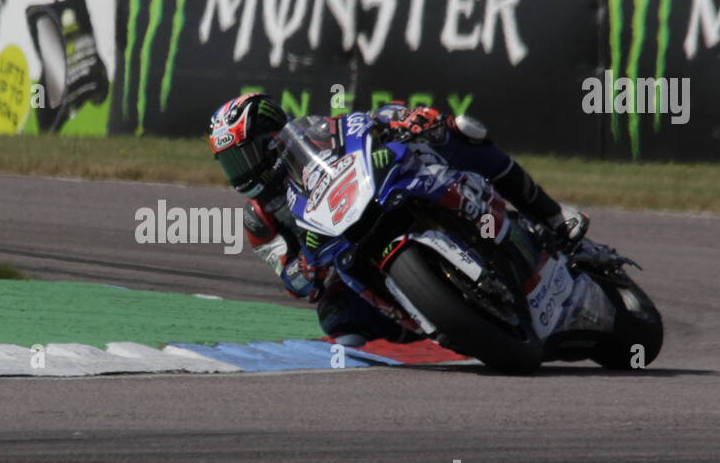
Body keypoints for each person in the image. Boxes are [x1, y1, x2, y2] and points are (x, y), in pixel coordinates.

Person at [208, 93, 589, 346]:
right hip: (346, 255)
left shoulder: (321, 133)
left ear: (273, 136)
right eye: (231, 164)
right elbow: (290, 279)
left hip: (381, 193)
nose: (242, 172)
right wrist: (304, 270)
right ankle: (425, 320)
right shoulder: (260, 221)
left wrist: (408, 119)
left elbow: (367, 121)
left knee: (461, 133)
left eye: (245, 156)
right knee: (336, 318)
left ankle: (552, 215)